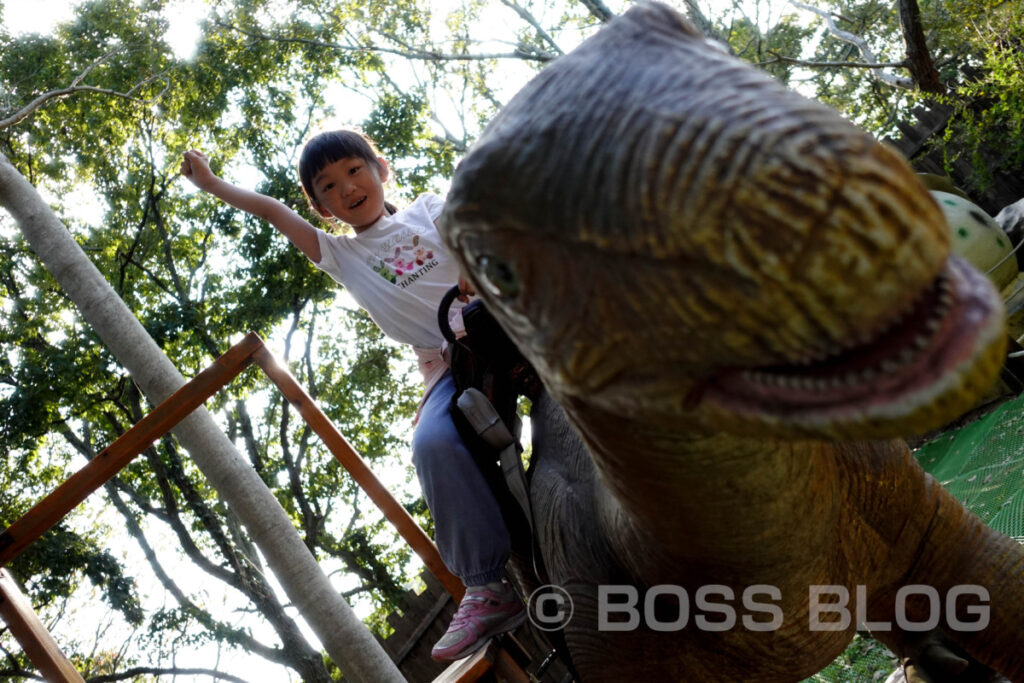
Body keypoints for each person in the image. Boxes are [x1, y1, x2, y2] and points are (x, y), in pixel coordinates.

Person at [180, 129, 525, 661]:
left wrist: (480, 271)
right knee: (430, 444)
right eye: (329, 186)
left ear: (380, 170)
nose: (347, 187)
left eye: (353, 170)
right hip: (450, 364)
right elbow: (272, 210)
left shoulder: (427, 211)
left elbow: (479, 240)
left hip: (505, 319)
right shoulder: (342, 256)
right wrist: (211, 184)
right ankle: (486, 586)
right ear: (321, 208)